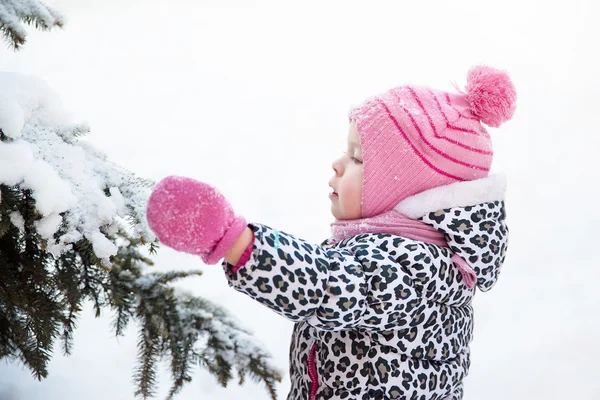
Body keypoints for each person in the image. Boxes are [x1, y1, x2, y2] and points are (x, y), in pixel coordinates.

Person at [145, 65, 516, 400]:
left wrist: (237, 241)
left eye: (358, 158)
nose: (339, 164)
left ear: (404, 188)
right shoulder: (412, 253)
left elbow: (327, 284)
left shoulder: (411, 264)